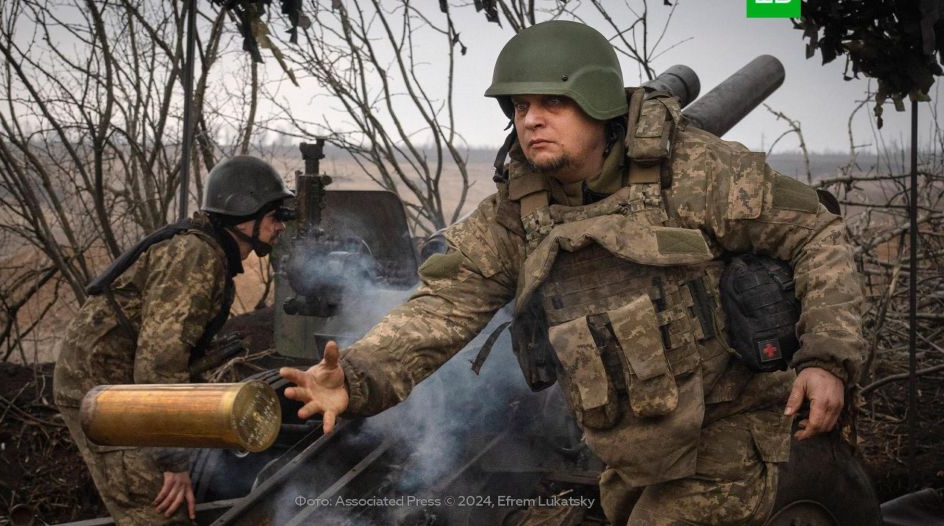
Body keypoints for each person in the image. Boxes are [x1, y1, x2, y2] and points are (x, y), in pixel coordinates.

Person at [280, 20, 863, 525]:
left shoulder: (696, 172)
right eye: (520, 107)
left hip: (730, 428)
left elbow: (815, 233)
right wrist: (354, 378)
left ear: (599, 103)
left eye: (551, 104)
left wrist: (826, 360)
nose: (531, 121)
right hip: (632, 451)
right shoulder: (517, 214)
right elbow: (441, 308)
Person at [54, 156, 293, 525]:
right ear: (243, 212)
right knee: (159, 513)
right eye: (275, 215)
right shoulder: (196, 255)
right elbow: (158, 363)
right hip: (102, 393)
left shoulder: (209, 252)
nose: (280, 227)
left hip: (126, 387)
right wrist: (172, 462)